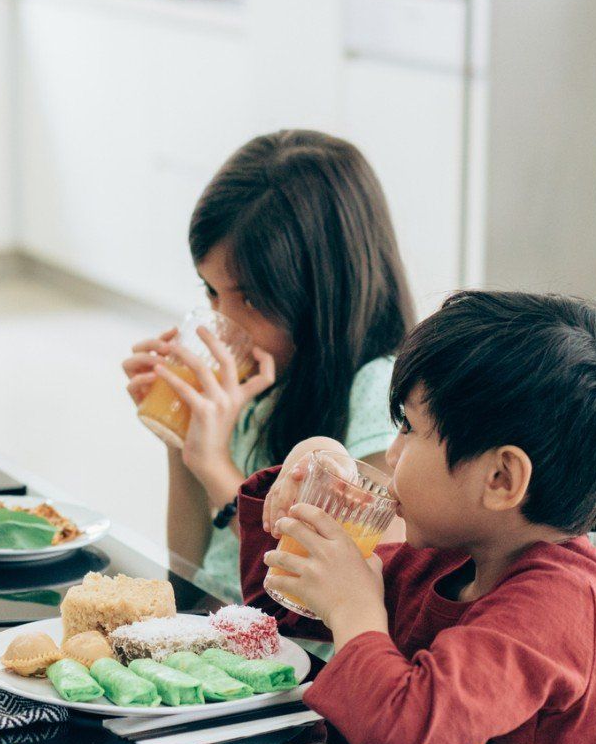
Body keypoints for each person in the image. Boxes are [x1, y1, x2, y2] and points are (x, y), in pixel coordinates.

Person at [237, 290, 596, 744]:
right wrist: (304, 476)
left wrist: (353, 608)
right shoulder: (451, 557)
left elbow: (396, 737)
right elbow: (276, 604)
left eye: (410, 428)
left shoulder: (559, 609)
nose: (391, 450)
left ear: (499, 477)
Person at [122, 131, 414, 627]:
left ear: (323, 293)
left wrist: (215, 466)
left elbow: (337, 590)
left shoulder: (376, 395)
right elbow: (189, 572)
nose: (224, 320)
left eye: (250, 299)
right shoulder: (261, 381)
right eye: (210, 293)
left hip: (295, 654)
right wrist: (182, 438)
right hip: (215, 624)